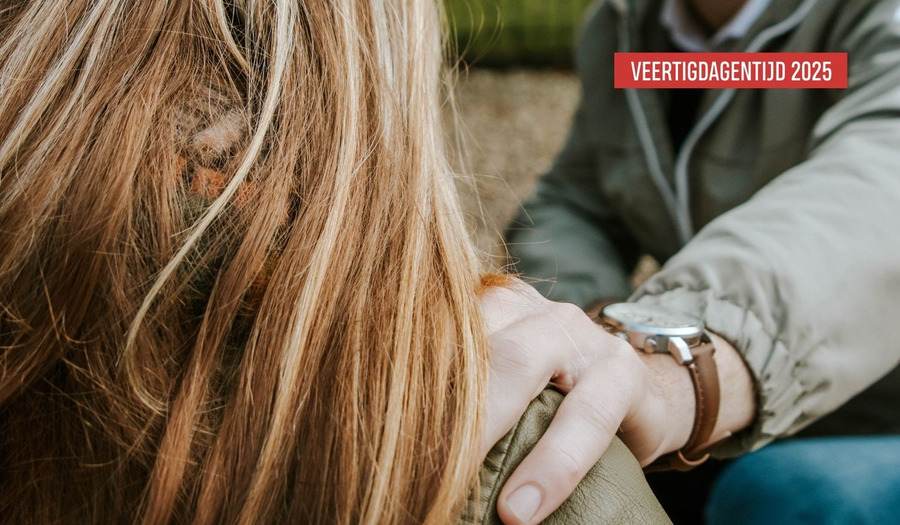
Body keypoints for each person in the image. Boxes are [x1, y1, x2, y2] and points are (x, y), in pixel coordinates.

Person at [0, 1, 671, 523]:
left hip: (730, 331)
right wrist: (578, 306)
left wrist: (680, 345)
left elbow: (782, 209)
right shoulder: (622, 25)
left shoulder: (779, 55)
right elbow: (583, 191)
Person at [485, 0, 900, 523]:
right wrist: (602, 327)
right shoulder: (625, 25)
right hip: (759, 409)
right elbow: (575, 201)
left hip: (874, 417)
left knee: (782, 496)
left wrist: (681, 371)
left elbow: (883, 187)